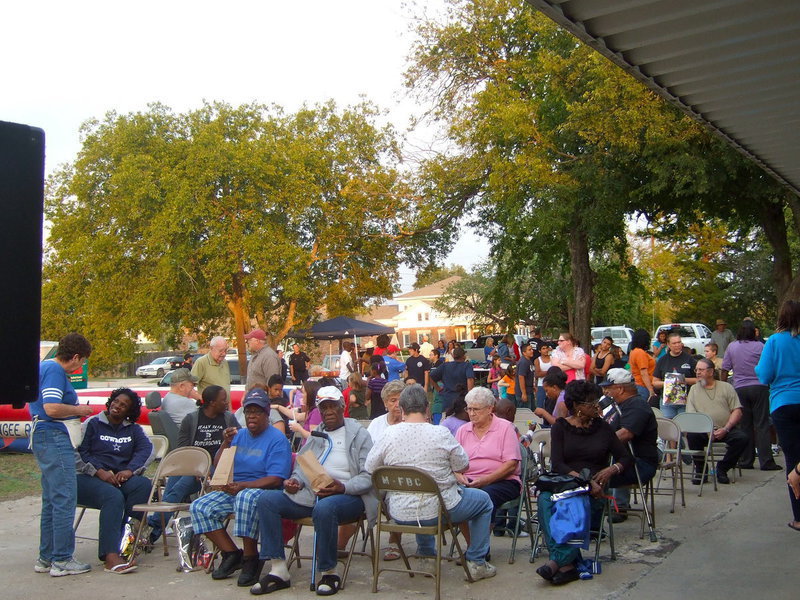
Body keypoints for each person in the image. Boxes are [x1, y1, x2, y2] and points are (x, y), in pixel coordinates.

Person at [251, 387, 376, 596]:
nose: (328, 412)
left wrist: (343, 486)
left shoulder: (360, 435)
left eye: (333, 406)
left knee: (325, 509)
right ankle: (279, 570)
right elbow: (302, 466)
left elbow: (369, 476)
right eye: (324, 407)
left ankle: (329, 572)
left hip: (348, 495)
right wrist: (295, 481)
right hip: (313, 493)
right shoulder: (318, 434)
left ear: (342, 408)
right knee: (267, 500)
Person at [365, 384, 497, 582]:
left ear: (402, 408)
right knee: (484, 501)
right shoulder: (440, 434)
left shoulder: (387, 435)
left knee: (424, 495)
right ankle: (477, 561)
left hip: (399, 512)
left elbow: (370, 467)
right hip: (439, 510)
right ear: (427, 407)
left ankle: (426, 557)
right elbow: (463, 464)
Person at [190, 388, 292, 586]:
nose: (252, 415)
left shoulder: (277, 439)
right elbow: (219, 465)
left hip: (262, 490)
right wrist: (225, 443)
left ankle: (251, 557)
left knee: (246, 498)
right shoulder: (239, 435)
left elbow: (276, 479)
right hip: (235, 487)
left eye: (257, 411)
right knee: (199, 506)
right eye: (248, 411)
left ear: (267, 413)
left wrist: (242, 486)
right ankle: (231, 553)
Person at [535, 380, 632, 586]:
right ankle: (566, 564)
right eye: (591, 403)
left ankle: (558, 563)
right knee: (544, 499)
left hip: (594, 490)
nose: (597, 406)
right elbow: (558, 464)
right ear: (577, 406)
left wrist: (612, 469)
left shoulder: (603, 428)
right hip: (569, 482)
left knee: (576, 503)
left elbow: (625, 457)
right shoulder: (561, 427)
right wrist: (583, 480)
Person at [30, 332, 94, 577]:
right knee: (65, 497)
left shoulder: (43, 367)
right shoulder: (56, 372)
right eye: (82, 361)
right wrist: (79, 409)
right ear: (75, 357)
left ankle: (46, 556)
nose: (81, 366)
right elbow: (52, 407)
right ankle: (63, 559)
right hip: (55, 435)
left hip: (43, 436)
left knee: (51, 499)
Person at [147, 384, 239, 544]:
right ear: (211, 403)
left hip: (216, 466)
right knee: (174, 483)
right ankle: (155, 526)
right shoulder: (191, 419)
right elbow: (183, 448)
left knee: (183, 484)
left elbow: (240, 442)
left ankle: (153, 527)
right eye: (223, 400)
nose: (227, 402)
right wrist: (194, 466)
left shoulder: (228, 419)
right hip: (192, 464)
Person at [76, 388, 153, 573]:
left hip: (118, 478)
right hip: (87, 478)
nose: (117, 406)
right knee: (113, 497)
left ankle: (126, 542)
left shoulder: (133, 429)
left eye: (124, 405)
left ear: (130, 411)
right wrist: (99, 471)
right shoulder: (93, 424)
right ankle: (110, 556)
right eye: (116, 401)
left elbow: (147, 450)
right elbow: (80, 452)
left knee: (142, 485)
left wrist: (130, 470)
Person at [756, 299, 800, 531]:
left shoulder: (774, 341)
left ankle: (799, 517)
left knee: (793, 459)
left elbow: (764, 375)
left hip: (783, 403)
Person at [455, 388, 521, 542]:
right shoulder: (463, 430)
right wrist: (459, 476)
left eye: (476, 409)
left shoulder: (505, 428)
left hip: (503, 481)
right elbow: (453, 463)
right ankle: (474, 546)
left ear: (490, 408)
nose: (471, 413)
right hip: (469, 480)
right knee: (453, 496)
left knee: (484, 496)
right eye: (469, 409)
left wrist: (485, 480)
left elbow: (511, 464)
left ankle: (479, 548)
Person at [599, 369, 659, 522]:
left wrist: (596, 444)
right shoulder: (616, 405)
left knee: (589, 473)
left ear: (620, 388)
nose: (605, 392)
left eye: (608, 388)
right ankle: (600, 508)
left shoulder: (637, 406)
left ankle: (612, 507)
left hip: (640, 464)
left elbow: (625, 434)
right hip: (622, 459)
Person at [722, 321, 781, 471]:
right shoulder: (760, 346)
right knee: (762, 425)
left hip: (740, 388)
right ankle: (766, 461)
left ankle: (746, 460)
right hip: (759, 387)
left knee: (745, 425)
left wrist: (723, 386)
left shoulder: (732, 346)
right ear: (754, 332)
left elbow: (725, 368)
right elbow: (768, 366)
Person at [686, 358, 748, 485]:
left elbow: (737, 410)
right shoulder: (694, 389)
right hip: (703, 430)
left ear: (710, 372)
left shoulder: (726, 387)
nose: (697, 372)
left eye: (701, 370)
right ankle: (701, 470)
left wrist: (726, 429)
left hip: (725, 428)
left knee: (742, 438)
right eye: (696, 369)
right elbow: (691, 414)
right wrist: (707, 429)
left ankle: (722, 468)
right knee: (692, 436)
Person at [652, 332, 697, 419]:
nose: (677, 345)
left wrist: (682, 380)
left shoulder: (689, 359)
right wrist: (669, 382)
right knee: (668, 428)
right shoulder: (662, 360)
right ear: (668, 344)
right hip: (667, 402)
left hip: (686, 400)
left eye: (679, 342)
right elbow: (655, 382)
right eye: (674, 343)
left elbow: (699, 380)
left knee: (684, 426)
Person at [430, 346, 475, 420]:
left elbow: (431, 376)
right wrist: (470, 395)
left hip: (447, 399)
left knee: (448, 422)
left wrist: (438, 389)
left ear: (453, 356)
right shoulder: (467, 365)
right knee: (463, 422)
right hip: (462, 399)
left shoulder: (445, 365)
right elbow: (470, 379)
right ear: (463, 356)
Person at [627, 328, 657, 405]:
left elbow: (629, 368)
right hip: (643, 386)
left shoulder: (633, 352)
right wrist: (651, 390)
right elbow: (644, 373)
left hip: (636, 384)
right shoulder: (640, 353)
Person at [515, 343, 536, 408]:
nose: (532, 351)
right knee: (526, 414)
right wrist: (523, 393)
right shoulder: (523, 362)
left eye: (532, 349)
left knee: (532, 411)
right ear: (524, 353)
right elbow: (521, 377)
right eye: (529, 350)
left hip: (529, 391)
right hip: (524, 393)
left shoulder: (529, 361)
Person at [534, 343, 553, 409]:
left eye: (546, 348)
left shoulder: (552, 358)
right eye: (543, 349)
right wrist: (550, 371)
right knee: (540, 405)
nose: (545, 350)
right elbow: (538, 374)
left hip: (552, 385)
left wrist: (543, 373)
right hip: (541, 385)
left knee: (551, 405)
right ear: (539, 351)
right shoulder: (537, 360)